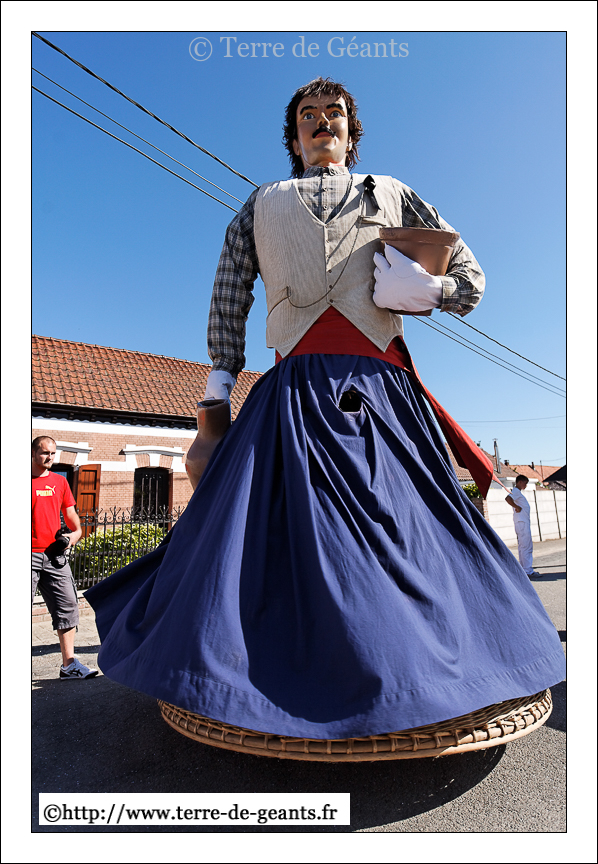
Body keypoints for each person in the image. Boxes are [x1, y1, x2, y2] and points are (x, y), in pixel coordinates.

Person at [86, 78, 564, 739]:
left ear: (350, 131)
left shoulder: (392, 192)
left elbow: (470, 279)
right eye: (308, 116)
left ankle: (429, 680)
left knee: (410, 530)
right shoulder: (260, 204)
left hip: (381, 390)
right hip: (293, 390)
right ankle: (267, 685)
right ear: (294, 137)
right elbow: (228, 299)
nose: (322, 123)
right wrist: (215, 399)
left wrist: (432, 290)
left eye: (333, 114)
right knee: (266, 536)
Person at [32, 436, 98, 679]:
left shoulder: (59, 482)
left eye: (52, 453)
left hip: (54, 555)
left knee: (68, 606)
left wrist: (73, 535)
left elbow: (72, 518)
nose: (49, 457)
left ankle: (69, 665)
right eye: (44, 453)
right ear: (32, 453)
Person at [506, 475, 540, 578]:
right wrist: (517, 507)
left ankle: (524, 570)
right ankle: (528, 570)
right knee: (526, 546)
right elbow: (508, 498)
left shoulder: (517, 492)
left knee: (523, 546)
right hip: (522, 523)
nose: (526, 485)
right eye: (525, 483)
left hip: (521, 522)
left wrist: (517, 507)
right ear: (520, 482)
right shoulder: (516, 491)